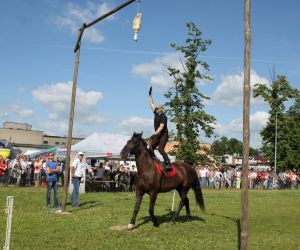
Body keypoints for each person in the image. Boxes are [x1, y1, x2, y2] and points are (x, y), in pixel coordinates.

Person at [148, 86, 171, 171]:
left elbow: (161, 127)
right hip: (158, 135)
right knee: (150, 148)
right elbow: (151, 104)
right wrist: (150, 94)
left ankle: (168, 163)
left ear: (161, 109)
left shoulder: (163, 117)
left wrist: (154, 134)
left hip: (163, 135)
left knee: (161, 149)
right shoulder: (156, 113)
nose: (156, 109)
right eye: (156, 108)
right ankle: (154, 160)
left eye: (157, 108)